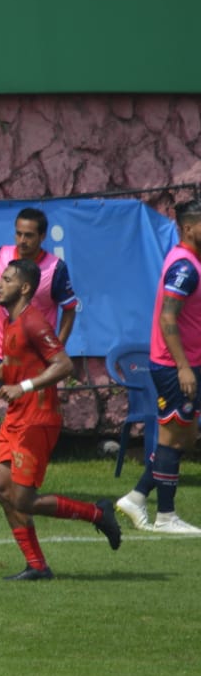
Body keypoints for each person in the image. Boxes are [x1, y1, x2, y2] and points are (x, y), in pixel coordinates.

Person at [0, 260, 121, 580]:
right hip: (17, 417)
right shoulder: (11, 323)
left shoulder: (33, 322)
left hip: (37, 419)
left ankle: (98, 513)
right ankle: (37, 566)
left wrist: (24, 387)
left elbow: (64, 365)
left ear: (25, 288)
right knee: (3, 491)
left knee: (23, 499)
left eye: (7, 280)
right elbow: (12, 366)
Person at [0, 208, 79, 497]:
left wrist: (57, 345)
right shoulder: (1, 256)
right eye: (18, 233)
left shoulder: (54, 268)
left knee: (30, 420)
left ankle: (20, 478)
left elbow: (69, 309)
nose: (23, 240)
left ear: (42, 236)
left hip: (29, 358)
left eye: (29, 235)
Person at [115, 201, 201, 535]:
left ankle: (137, 497)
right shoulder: (185, 267)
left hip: (188, 363)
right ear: (189, 228)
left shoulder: (192, 262)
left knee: (183, 437)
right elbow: (168, 317)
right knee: (173, 439)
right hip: (175, 366)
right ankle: (165, 515)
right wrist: (182, 367)